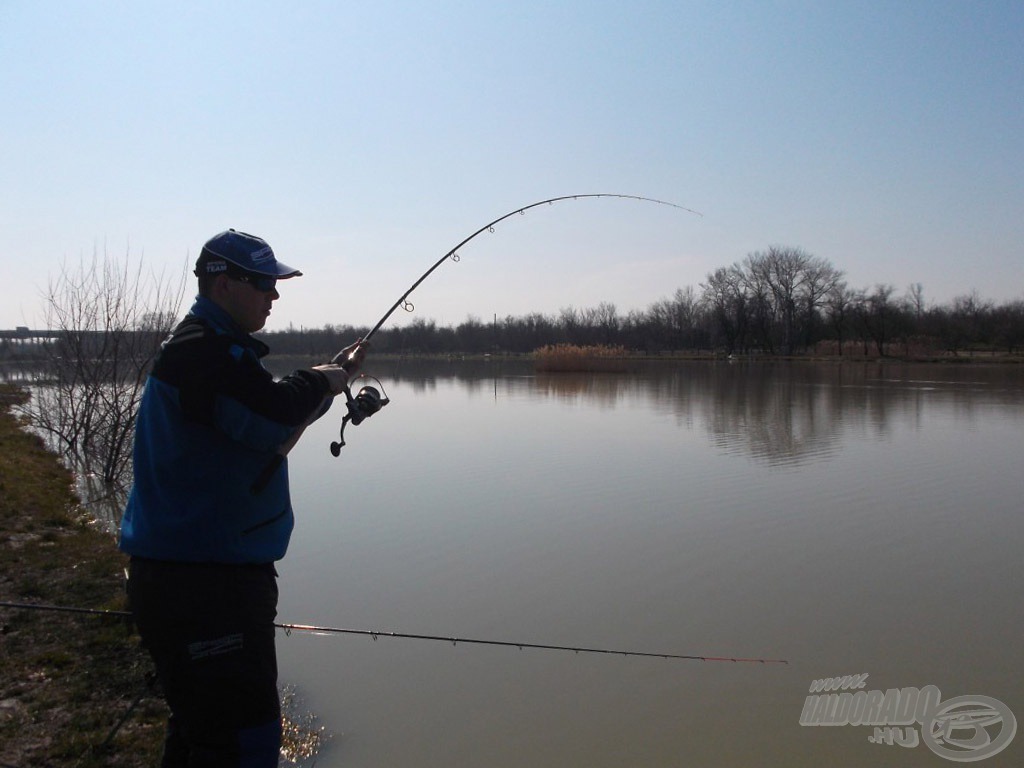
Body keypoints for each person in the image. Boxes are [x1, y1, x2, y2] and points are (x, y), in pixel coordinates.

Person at [119, 229, 366, 767]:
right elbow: (274, 412)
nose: (274, 296)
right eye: (264, 284)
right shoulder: (203, 353)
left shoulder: (212, 352)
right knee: (244, 743)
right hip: (206, 586)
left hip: (200, 577)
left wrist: (332, 380)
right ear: (224, 284)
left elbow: (271, 433)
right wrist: (324, 379)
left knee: (201, 733)